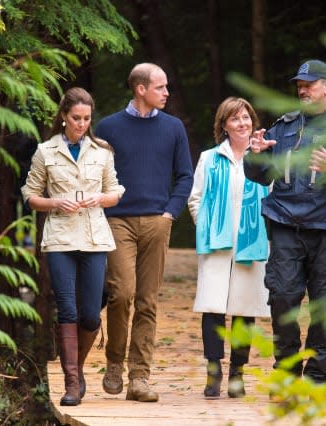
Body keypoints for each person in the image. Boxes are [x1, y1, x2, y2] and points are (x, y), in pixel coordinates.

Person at [244, 59, 326, 384]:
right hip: (286, 225)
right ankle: (287, 374)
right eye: (299, 85)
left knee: (325, 303)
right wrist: (255, 153)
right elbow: (259, 176)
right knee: (282, 298)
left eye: (310, 84)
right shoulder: (285, 126)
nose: (302, 89)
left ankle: (317, 376)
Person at [95, 63, 194, 402]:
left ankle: (140, 377)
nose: (167, 93)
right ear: (141, 89)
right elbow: (96, 174)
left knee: (147, 301)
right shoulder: (108, 127)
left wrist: (170, 213)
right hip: (117, 220)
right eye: (161, 87)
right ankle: (114, 364)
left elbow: (185, 175)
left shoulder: (174, 127)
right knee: (121, 294)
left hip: (157, 221)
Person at [21, 87, 125, 406]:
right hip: (61, 239)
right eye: (76, 118)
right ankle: (70, 384)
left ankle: (77, 369)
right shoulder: (46, 151)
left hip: (95, 238)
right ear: (64, 117)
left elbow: (115, 190)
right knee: (66, 309)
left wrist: (101, 198)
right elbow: (30, 194)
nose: (81, 124)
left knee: (91, 315)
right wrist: (55, 202)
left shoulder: (102, 151)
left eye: (86, 119)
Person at [188, 97, 271, 399]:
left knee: (243, 311)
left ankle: (237, 373)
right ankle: (214, 372)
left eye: (246, 117)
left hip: (251, 243)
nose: (242, 123)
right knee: (212, 309)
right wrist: (206, 229)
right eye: (235, 119)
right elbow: (195, 198)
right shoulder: (210, 158)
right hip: (217, 246)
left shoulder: (263, 158)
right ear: (223, 125)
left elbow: (273, 198)